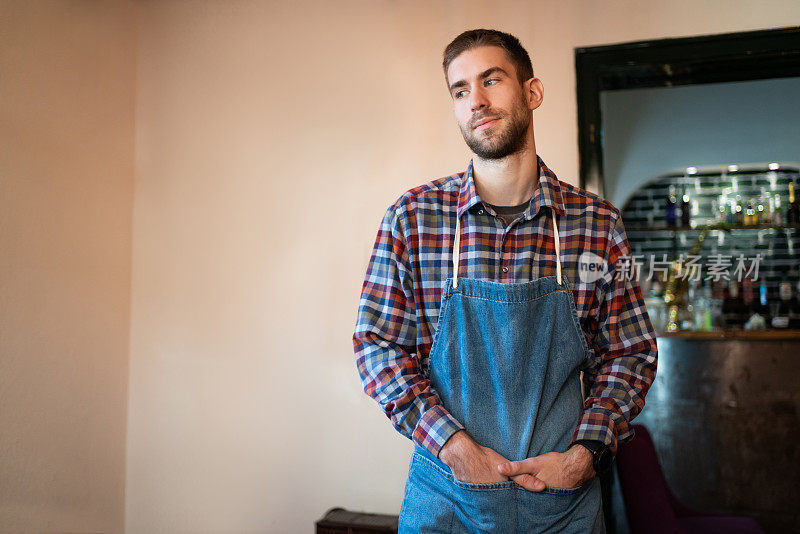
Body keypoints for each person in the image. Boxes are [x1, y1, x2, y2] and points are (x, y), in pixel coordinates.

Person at [353, 28, 657, 533]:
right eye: (460, 89)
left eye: (491, 80)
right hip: (449, 499)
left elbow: (630, 353)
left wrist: (584, 455)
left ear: (532, 93)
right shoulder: (413, 219)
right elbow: (376, 347)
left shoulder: (596, 223)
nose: (477, 101)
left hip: (562, 503)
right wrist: (454, 448)